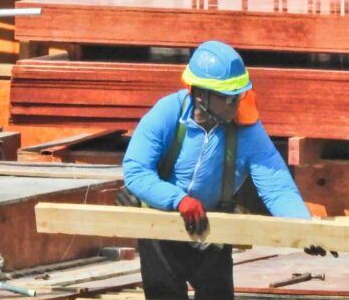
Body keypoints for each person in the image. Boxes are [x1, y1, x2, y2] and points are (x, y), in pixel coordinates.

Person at [122, 40, 326, 299]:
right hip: (161, 226)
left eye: (238, 96)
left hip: (213, 230)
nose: (234, 104)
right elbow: (136, 171)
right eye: (226, 97)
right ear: (199, 94)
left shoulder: (247, 129)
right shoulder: (167, 113)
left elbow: (276, 185)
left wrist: (303, 228)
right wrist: (178, 200)